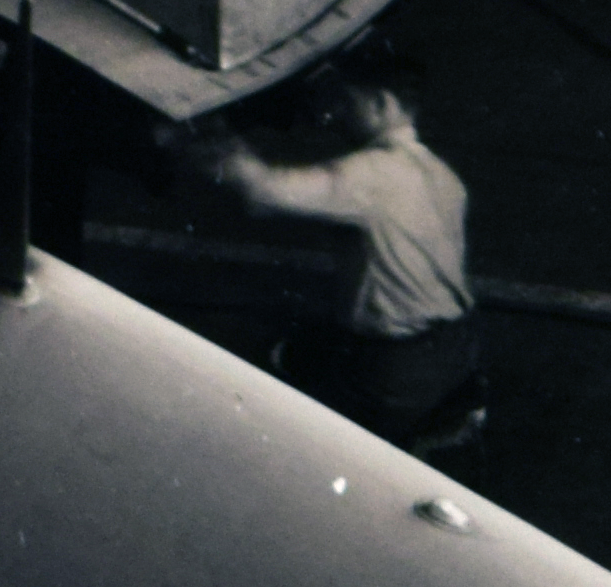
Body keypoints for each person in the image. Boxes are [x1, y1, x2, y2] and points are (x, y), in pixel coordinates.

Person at [191, 73, 485, 447]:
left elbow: (265, 191)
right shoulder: (443, 176)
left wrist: (215, 138)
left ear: (381, 103)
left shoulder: (372, 173)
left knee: (285, 403)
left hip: (397, 368)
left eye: (349, 102)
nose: (338, 112)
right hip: (457, 348)